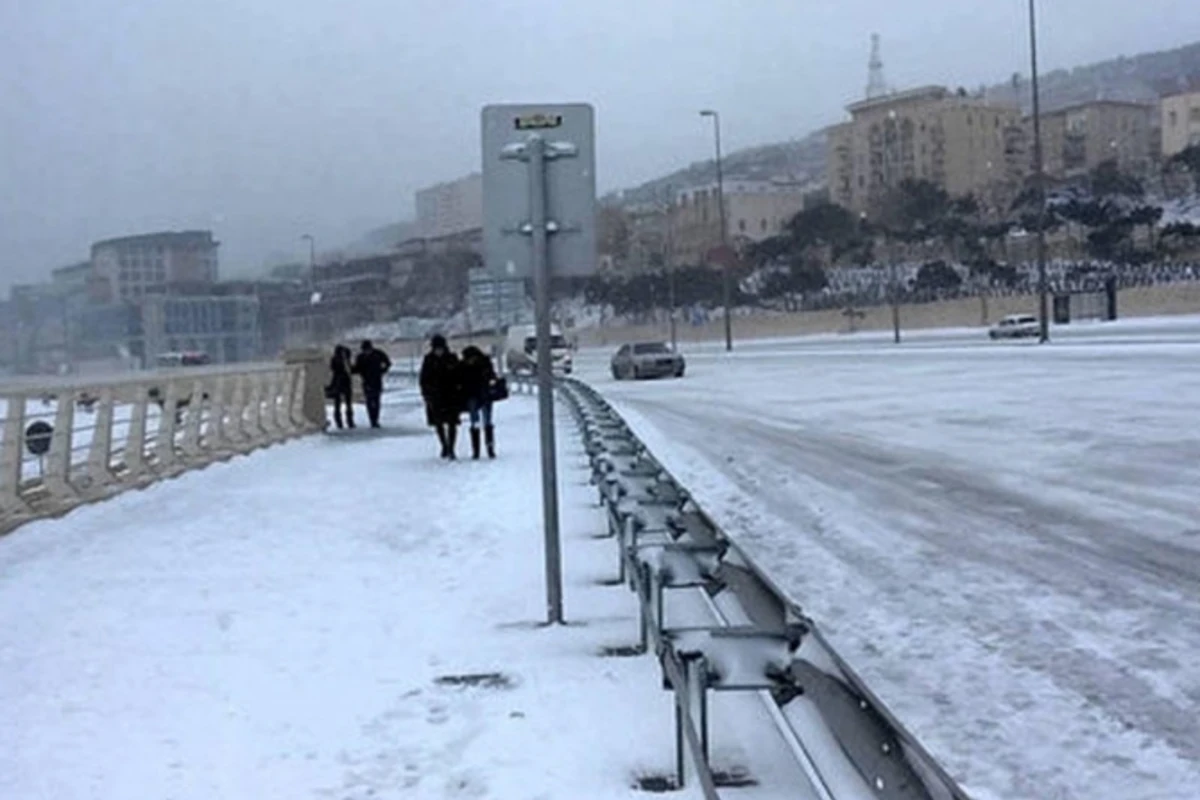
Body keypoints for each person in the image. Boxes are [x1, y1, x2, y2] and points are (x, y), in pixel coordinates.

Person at [419, 334, 463, 459]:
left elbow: (459, 375)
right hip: (435, 396)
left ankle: (451, 448)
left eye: (440, 348)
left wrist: (458, 389)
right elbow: (424, 378)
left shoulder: (452, 358)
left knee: (452, 423)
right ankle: (444, 444)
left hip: (451, 396)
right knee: (438, 423)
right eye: (436, 348)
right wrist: (427, 393)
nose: (439, 351)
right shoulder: (429, 360)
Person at [459, 345, 499, 460]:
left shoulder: (472, 365)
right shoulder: (483, 363)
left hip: (479, 396)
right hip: (478, 396)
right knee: (480, 422)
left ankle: (485, 449)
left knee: (483, 422)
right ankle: (481, 450)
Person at [352, 339, 391, 428]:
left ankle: (375, 419)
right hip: (366, 381)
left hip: (376, 381)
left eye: (367, 350)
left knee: (376, 401)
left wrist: (382, 371)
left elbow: (388, 363)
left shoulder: (378, 354)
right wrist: (350, 370)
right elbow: (357, 368)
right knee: (369, 401)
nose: (366, 352)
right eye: (364, 350)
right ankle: (372, 420)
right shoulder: (360, 357)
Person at [328, 344, 356, 430]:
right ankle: (348, 421)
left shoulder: (336, 360)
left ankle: (340, 421)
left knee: (338, 404)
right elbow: (349, 370)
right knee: (346, 403)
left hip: (338, 383)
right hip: (343, 382)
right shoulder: (342, 360)